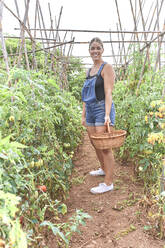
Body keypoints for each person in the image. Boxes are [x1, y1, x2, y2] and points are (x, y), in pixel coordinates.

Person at [81, 37, 116, 194]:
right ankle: (103, 169)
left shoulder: (106, 67)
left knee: (104, 146)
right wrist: (83, 115)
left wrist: (107, 115)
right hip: (90, 109)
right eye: (92, 48)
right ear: (89, 51)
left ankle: (108, 183)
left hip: (102, 108)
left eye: (98, 48)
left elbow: (108, 92)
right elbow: (85, 95)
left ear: (102, 50)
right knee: (95, 143)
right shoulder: (89, 71)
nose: (95, 51)